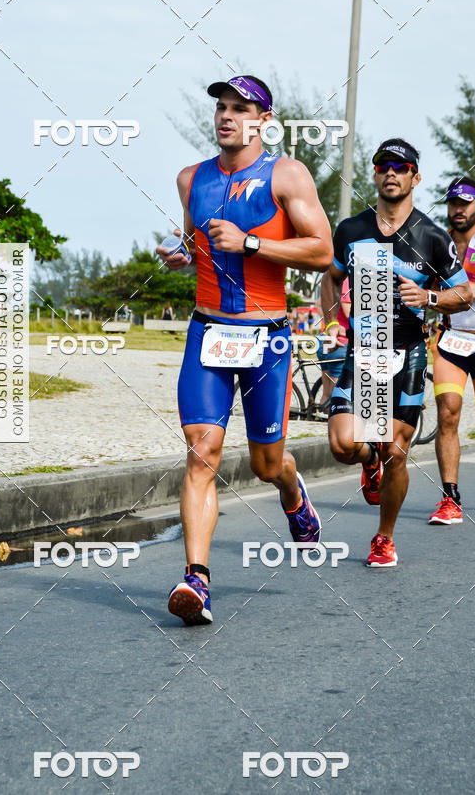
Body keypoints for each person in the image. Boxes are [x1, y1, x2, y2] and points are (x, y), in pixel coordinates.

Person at [156, 74, 333, 624]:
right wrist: (184, 254)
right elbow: (196, 239)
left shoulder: (287, 174)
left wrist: (252, 242)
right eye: (221, 108)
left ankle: (292, 493)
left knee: (266, 464)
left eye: (240, 108)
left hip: (266, 336)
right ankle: (197, 580)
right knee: (201, 452)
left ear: (264, 121)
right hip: (207, 331)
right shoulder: (191, 178)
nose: (227, 116)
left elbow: (323, 251)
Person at [320, 138, 472, 567]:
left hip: (407, 352)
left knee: (397, 452)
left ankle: (383, 538)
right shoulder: (351, 230)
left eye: (400, 167)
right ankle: (368, 461)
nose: (391, 172)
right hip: (363, 350)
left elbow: (463, 292)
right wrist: (331, 323)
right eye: (383, 165)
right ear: (375, 174)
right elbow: (330, 278)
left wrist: (429, 298)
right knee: (343, 444)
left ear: (414, 178)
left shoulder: (432, 237)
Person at [429, 177, 475, 524]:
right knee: (448, 412)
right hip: (450, 340)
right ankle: (450, 499)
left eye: (465, 204)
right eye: (453, 203)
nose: (458, 209)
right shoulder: (438, 242)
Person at [315, 277, 351, 406]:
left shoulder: (337, 280)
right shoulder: (348, 281)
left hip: (325, 338)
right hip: (339, 342)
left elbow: (319, 303)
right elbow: (348, 311)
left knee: (327, 394)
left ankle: (317, 416)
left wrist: (330, 322)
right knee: (339, 397)